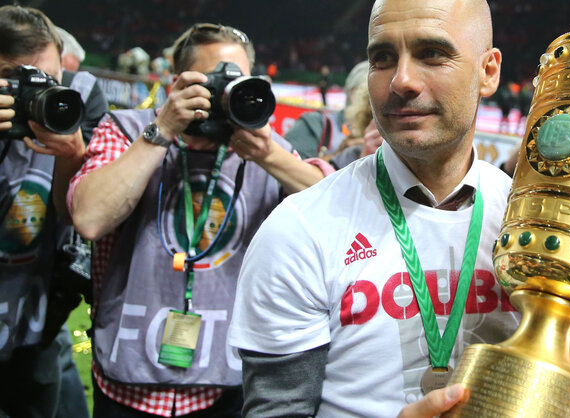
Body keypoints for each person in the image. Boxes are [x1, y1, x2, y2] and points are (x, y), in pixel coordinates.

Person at [229, 1, 570, 417]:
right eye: (382, 57)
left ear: (489, 71)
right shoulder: (299, 229)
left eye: (432, 54)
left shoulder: (541, 224)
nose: (401, 80)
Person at [68, 23, 329, 417]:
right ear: (178, 83)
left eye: (236, 82)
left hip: (226, 385)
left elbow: (329, 211)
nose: (225, 94)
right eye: (213, 82)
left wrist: (268, 155)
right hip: (128, 381)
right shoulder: (127, 129)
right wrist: (164, 130)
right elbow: (89, 218)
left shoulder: (263, 146)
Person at [0, 5, 107, 417]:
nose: (34, 95)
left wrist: (73, 155)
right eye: (15, 81)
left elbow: (79, 216)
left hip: (37, 316)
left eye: (45, 80)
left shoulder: (77, 97)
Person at [284, 61, 369, 162]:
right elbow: (286, 170)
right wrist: (342, 156)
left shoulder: (386, 136)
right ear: (354, 94)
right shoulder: (315, 124)